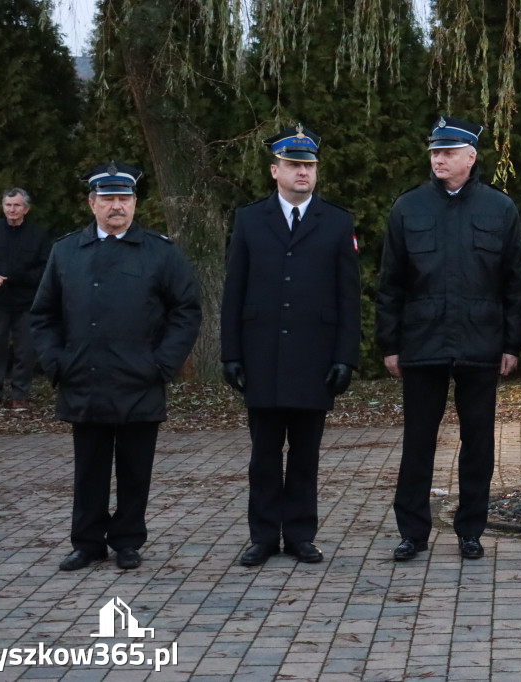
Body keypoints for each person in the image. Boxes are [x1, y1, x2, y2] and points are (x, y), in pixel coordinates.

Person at [31, 162, 201, 571]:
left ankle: (127, 540)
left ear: (135, 203)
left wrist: (162, 364)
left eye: (124, 198)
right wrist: (57, 362)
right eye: (107, 199)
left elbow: (186, 310)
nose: (116, 206)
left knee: (134, 469)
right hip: (83, 378)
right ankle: (87, 542)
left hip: (139, 379)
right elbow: (43, 314)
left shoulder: (160, 252)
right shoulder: (66, 251)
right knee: (88, 469)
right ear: (92, 204)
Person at [376, 116, 521, 561]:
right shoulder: (408, 207)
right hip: (422, 342)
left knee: (478, 442)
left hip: (481, 342)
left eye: (447, 152)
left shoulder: (499, 208)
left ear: (470, 157)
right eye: (434, 152)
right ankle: (412, 532)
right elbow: (391, 283)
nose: (438, 159)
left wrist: (512, 343)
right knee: (417, 441)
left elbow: (514, 282)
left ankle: (470, 530)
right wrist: (390, 344)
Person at [221, 124, 361, 567]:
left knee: (305, 454)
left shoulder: (336, 221)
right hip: (261, 355)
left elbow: (348, 297)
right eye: (294, 165)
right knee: (263, 454)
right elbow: (234, 291)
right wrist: (231, 353)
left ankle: (301, 534)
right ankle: (263, 536)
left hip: (313, 358)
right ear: (274, 170)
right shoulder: (249, 219)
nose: (303, 172)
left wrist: (345, 357)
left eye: (309, 166)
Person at [0, 188, 51, 411]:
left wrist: (21, 278)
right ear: (3, 207)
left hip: (27, 303)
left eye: (16, 205)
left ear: (26, 209)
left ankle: (19, 395)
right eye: (8, 205)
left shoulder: (38, 235)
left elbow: (46, 267)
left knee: (25, 350)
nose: (12, 210)